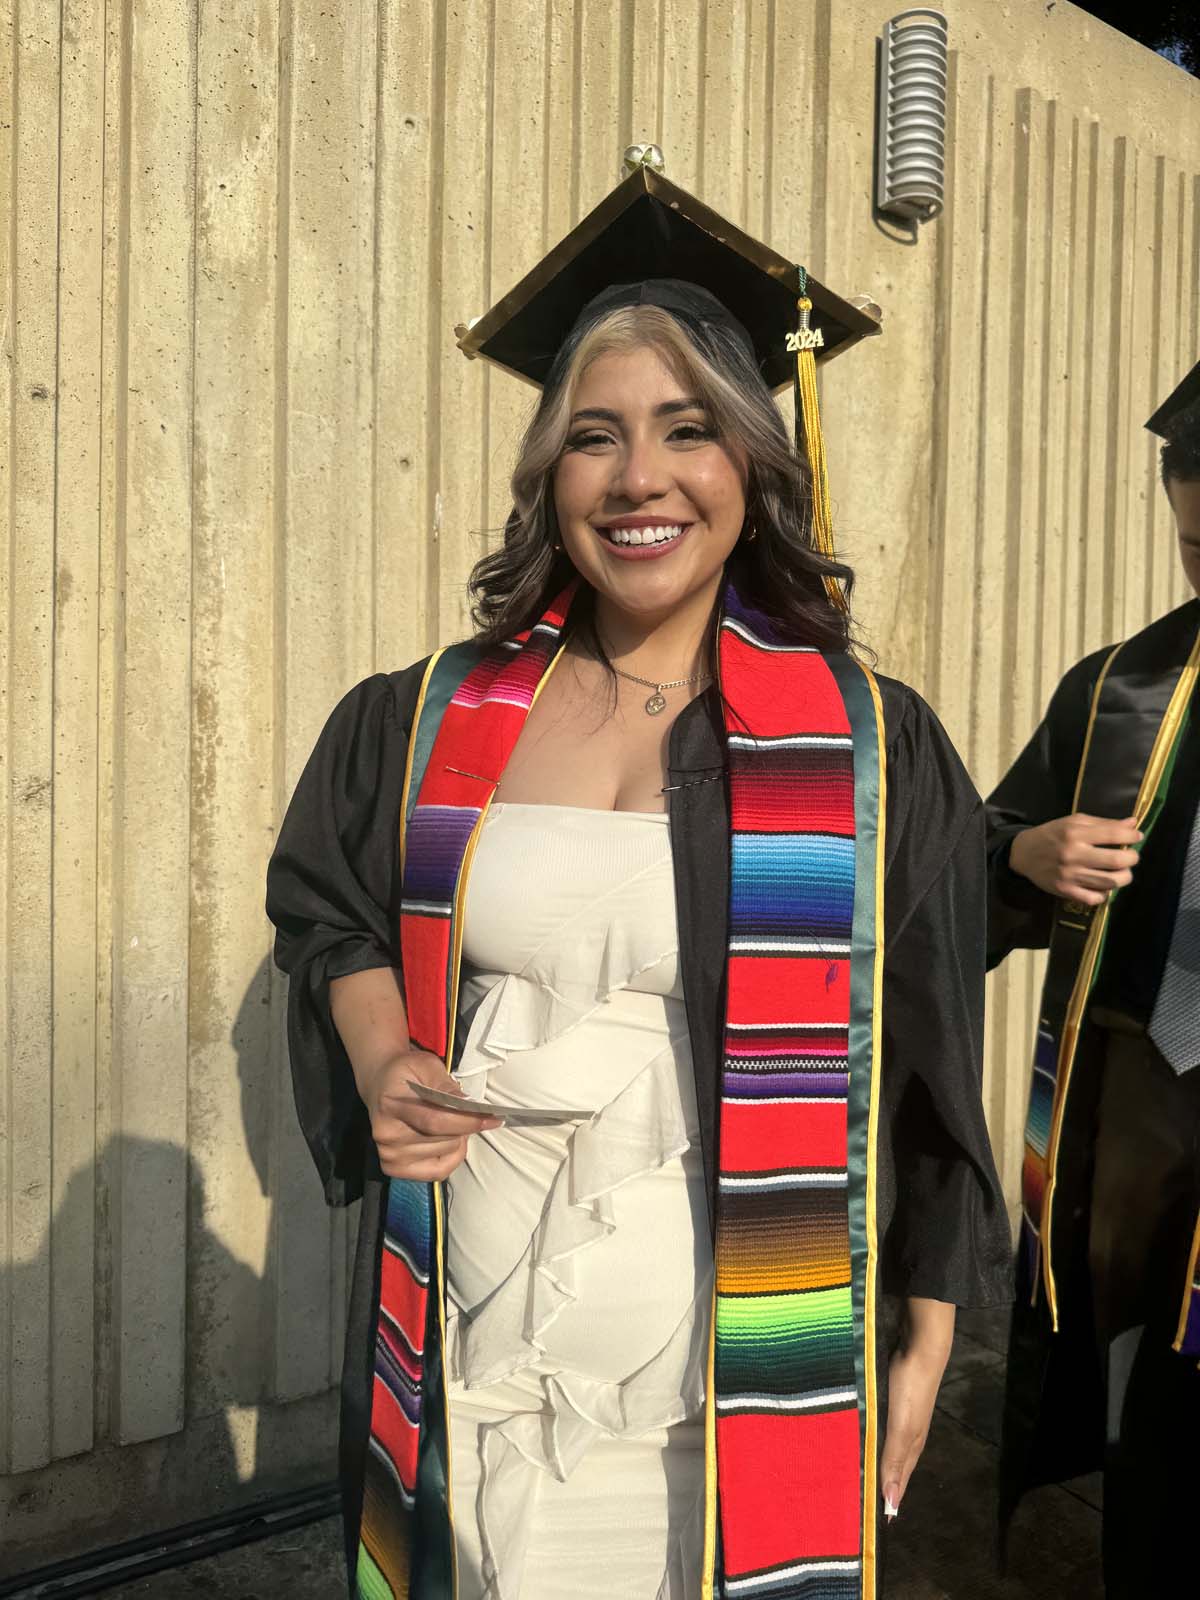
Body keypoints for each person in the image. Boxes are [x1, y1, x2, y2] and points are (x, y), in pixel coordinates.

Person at [267, 149, 1011, 1600]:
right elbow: (330, 911)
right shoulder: (421, 718)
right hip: (469, 1326)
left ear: (754, 464)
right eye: (595, 437)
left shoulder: (866, 747)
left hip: (727, 1362)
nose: (639, 478)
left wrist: (929, 1319)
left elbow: (925, 1044)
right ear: (550, 473)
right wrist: (377, 1053)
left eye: (689, 430)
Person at [985, 362, 1200, 1595]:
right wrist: (1023, 853)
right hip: (1139, 1098)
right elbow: (974, 858)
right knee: (1143, 1391)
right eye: (1197, 546)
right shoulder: (1121, 687)